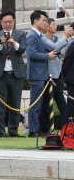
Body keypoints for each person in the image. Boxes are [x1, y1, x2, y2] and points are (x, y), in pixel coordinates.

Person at [0, 10, 26, 138]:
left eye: (10, 22)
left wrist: (13, 43)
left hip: (16, 74)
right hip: (1, 74)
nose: (7, 24)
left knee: (15, 103)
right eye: (5, 22)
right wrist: (0, 45)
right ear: (1, 22)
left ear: (14, 22)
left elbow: (22, 49)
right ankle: (0, 131)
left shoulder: (20, 34)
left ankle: (13, 131)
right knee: (0, 104)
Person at [26, 10, 58, 138]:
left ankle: (42, 129)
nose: (46, 23)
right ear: (36, 21)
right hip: (36, 74)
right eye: (43, 20)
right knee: (36, 104)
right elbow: (31, 54)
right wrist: (47, 56)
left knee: (44, 104)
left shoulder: (39, 35)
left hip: (42, 74)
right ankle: (33, 131)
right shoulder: (32, 35)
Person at [39, 18, 73, 131]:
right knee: (47, 103)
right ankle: (45, 128)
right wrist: (66, 36)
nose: (55, 27)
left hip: (57, 75)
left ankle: (66, 127)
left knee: (63, 103)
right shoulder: (43, 39)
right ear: (47, 26)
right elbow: (54, 47)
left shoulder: (56, 38)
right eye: (53, 24)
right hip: (48, 76)